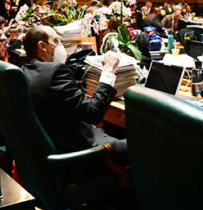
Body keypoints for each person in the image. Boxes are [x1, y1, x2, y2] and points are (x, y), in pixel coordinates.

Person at [21, 25, 126, 158]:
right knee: (144, 144)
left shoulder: (24, 70)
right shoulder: (55, 72)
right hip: (80, 150)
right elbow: (94, 114)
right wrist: (108, 71)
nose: (60, 46)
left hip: (54, 144)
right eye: (56, 41)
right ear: (42, 46)